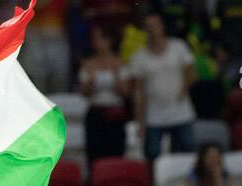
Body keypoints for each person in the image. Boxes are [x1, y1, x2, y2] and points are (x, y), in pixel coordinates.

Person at [128, 13, 197, 161]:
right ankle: (154, 183)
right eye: (148, 27)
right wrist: (139, 121)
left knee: (187, 149)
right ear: (144, 30)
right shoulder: (138, 57)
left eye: (155, 25)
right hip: (154, 113)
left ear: (162, 27)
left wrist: (184, 88)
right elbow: (138, 92)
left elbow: (192, 73)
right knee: (152, 154)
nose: (153, 30)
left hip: (180, 110)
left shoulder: (179, 47)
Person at [79, 23, 128, 163]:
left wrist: (116, 75)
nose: (96, 42)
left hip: (115, 111)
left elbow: (125, 92)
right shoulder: (88, 64)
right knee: (95, 153)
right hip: (96, 112)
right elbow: (84, 93)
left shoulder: (119, 63)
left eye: (99, 38)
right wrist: (91, 82)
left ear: (108, 41)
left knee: (116, 152)